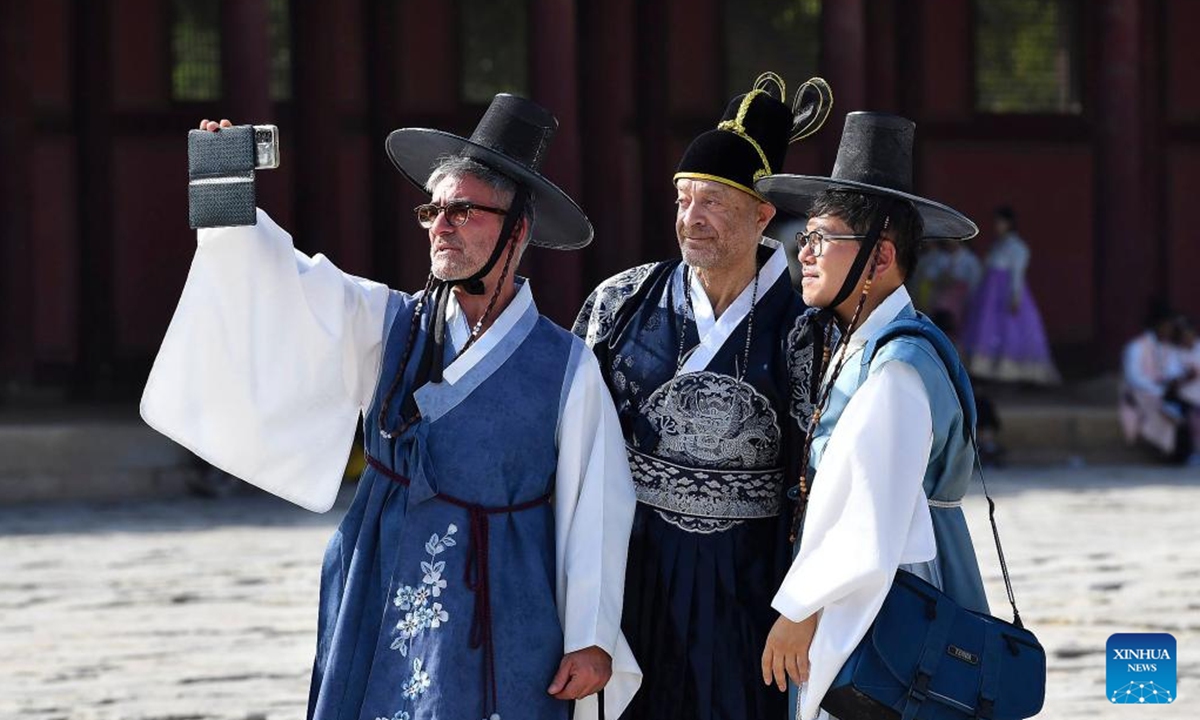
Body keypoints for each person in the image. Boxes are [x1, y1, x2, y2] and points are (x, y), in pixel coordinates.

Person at [141, 96, 641, 720]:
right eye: (433, 210)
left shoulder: (565, 363)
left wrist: (591, 635)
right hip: (383, 565)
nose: (441, 226)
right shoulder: (388, 323)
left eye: (463, 210)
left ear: (516, 229)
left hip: (507, 587)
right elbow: (286, 287)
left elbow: (596, 503)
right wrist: (224, 191)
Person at [572, 72, 832, 720]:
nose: (693, 219)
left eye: (715, 201)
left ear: (763, 214)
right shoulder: (620, 303)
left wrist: (808, 602)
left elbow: (828, 476)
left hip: (755, 583)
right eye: (685, 198)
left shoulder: (808, 325)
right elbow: (568, 447)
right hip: (638, 576)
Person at [754, 112, 989, 720]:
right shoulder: (869, 344)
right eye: (803, 237)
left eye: (821, 239)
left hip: (891, 593)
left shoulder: (898, 369)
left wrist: (799, 608)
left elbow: (871, 519)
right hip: (875, 583)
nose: (802, 253)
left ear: (880, 256)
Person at [959, 206, 1059, 384]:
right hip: (989, 295)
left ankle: (1013, 375)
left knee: (1009, 332)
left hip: (1004, 293)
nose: (997, 226)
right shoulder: (998, 245)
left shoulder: (1017, 247)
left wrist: (1015, 296)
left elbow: (1017, 274)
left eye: (1001, 222)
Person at [1119, 303, 1197, 464]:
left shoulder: (1169, 348)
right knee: (1164, 411)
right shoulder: (1137, 347)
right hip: (1143, 392)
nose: (1169, 330)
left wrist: (1178, 379)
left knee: (1183, 409)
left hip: (1166, 392)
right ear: (1157, 325)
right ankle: (1167, 452)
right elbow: (1134, 377)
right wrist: (1158, 388)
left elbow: (1173, 371)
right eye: (1166, 326)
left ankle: (1181, 454)